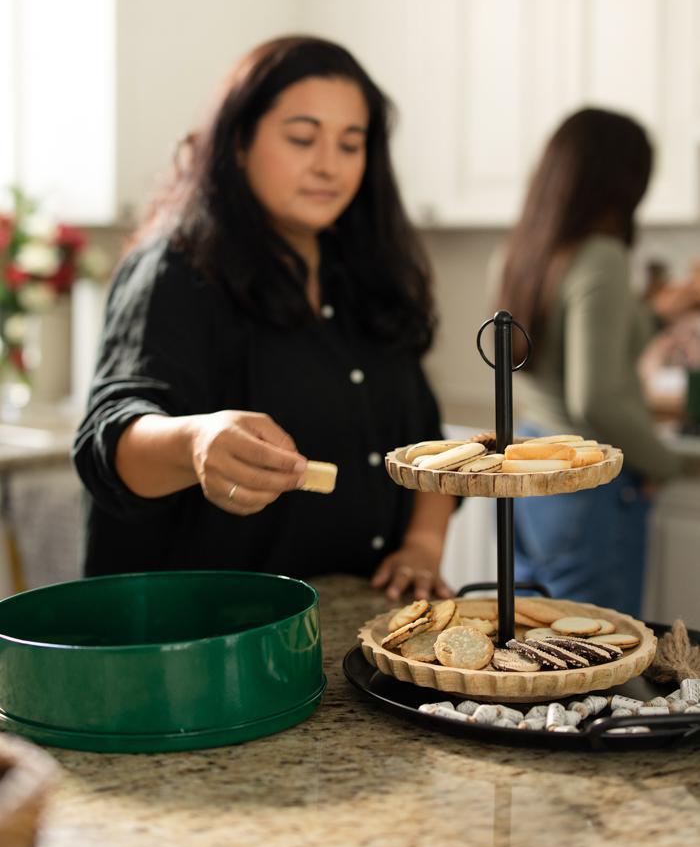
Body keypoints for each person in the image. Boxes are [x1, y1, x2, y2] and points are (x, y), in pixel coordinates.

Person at [73, 35, 456, 601]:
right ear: (239, 143)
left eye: (351, 145)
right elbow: (111, 442)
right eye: (302, 138)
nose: (329, 165)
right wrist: (196, 442)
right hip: (209, 637)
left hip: (356, 620)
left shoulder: (366, 277)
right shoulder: (175, 271)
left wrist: (424, 543)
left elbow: (429, 443)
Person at [494, 107, 684, 617]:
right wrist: (665, 463)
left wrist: (655, 316)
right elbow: (596, 398)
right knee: (595, 659)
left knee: (533, 647)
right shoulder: (602, 256)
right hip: (585, 488)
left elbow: (569, 354)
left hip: (527, 468)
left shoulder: (523, 254)